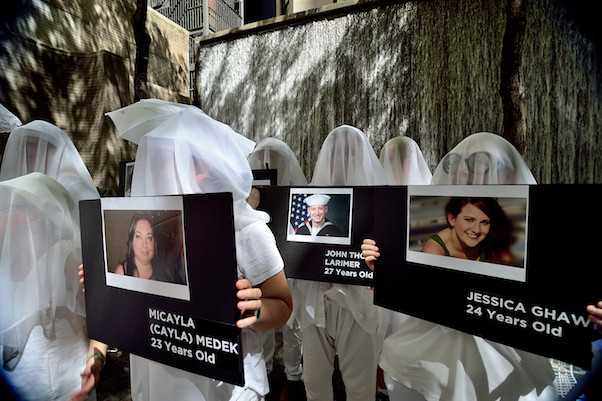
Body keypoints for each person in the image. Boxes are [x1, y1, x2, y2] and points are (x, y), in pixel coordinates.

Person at [362, 132, 559, 401]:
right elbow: (414, 292)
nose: (469, 176)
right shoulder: (430, 235)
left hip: (503, 368)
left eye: (482, 166)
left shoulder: (529, 236)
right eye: (459, 167)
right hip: (423, 358)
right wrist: (384, 271)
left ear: (510, 175)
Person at [126, 108, 292, 401]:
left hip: (228, 384)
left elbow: (283, 305)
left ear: (211, 167)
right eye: (163, 160)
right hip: (166, 371)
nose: (167, 170)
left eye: (183, 161)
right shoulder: (158, 232)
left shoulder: (247, 230)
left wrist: (254, 309)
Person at [292, 125, 387, 401]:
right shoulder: (306, 202)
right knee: (314, 381)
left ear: (361, 155)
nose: (342, 159)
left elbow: (392, 262)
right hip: (314, 303)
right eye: (336, 153)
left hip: (358, 306)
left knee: (359, 386)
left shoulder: (381, 202)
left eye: (350, 152)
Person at [0, 172, 105, 401]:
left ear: (35, 218)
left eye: (4, 208)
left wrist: (95, 360)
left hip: (66, 391)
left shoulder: (66, 255)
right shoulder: (7, 261)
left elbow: (103, 313)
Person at [248, 137, 306, 399]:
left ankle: (294, 376)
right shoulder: (250, 192)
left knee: (292, 320)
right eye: (262, 160)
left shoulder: (297, 193)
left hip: (291, 260)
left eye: (275, 160)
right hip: (262, 260)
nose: (269, 163)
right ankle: (267, 368)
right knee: (265, 314)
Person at [0, 120, 100, 203]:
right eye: (21, 145)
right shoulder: (30, 183)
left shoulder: (74, 187)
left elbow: (91, 221)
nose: (22, 150)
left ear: (52, 150)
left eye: (30, 144)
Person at [422, 197, 515, 265]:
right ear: (452, 219)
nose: (477, 230)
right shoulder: (433, 252)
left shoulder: (493, 244)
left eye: (485, 222)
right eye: (469, 220)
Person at [113, 213, 173, 282]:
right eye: (138, 237)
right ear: (131, 241)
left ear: (154, 242)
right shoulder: (121, 273)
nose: (145, 245)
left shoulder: (166, 272)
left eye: (149, 238)